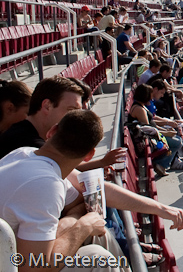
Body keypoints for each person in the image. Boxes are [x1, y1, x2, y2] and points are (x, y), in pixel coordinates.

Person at [0, 109, 120, 272]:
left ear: (52, 131)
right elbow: (33, 267)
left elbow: (79, 202)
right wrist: (83, 226)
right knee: (98, 259)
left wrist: (68, 222)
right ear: (90, 155)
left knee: (98, 234)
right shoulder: (46, 184)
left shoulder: (22, 154)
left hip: (14, 255)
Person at [127, 84, 183, 176]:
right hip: (148, 139)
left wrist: (166, 127)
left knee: (177, 139)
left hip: (153, 134)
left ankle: (163, 163)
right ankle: (160, 163)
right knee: (177, 142)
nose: (152, 96)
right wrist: (165, 133)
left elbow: (152, 122)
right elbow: (148, 129)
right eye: (150, 94)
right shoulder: (139, 109)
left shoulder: (141, 105)